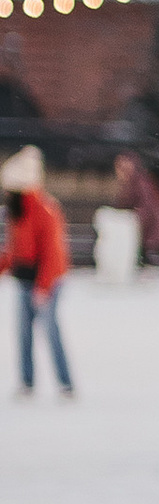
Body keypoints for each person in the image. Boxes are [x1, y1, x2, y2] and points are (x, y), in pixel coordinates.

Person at [3, 148, 75, 400]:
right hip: (24, 280)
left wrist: (43, 287)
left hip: (46, 280)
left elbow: (53, 254)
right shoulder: (17, 211)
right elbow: (15, 250)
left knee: (51, 330)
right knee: (23, 332)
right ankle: (27, 382)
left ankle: (66, 383)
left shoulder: (45, 209)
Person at [110, 150, 159, 265]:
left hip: (147, 236)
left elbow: (147, 208)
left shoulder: (140, 183)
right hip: (141, 236)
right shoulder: (129, 185)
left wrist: (132, 219)